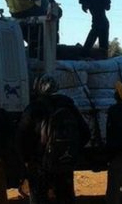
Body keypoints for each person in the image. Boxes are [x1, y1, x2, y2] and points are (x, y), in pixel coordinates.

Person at [15, 74, 90, 204]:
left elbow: (21, 138)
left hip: (40, 164)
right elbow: (85, 133)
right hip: (64, 163)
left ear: (39, 88)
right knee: (65, 198)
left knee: (39, 199)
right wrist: (70, 150)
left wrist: (27, 160)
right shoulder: (69, 106)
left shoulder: (34, 108)